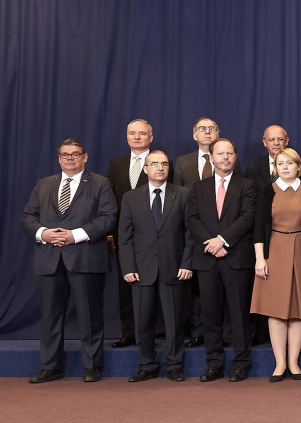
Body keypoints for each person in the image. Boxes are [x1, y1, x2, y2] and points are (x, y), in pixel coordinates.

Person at [23, 139, 116, 383]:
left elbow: (108, 218)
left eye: (75, 154)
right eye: (65, 154)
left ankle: (92, 366)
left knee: (89, 315)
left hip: (85, 257)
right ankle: (50, 367)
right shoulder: (44, 184)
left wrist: (74, 236)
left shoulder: (100, 183)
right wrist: (42, 233)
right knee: (51, 317)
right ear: (59, 158)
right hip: (49, 259)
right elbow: (28, 216)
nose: (70, 158)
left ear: (85, 157)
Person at [186, 138, 258, 382]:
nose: (225, 158)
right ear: (211, 158)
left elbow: (248, 217)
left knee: (239, 315)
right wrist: (212, 243)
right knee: (211, 315)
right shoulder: (199, 187)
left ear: (235, 157)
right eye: (220, 154)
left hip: (236, 258)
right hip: (208, 260)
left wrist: (223, 240)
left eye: (230, 153)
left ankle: (241, 363)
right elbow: (193, 219)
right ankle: (214, 363)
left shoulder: (247, 185)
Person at [118, 150, 194, 382]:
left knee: (173, 321)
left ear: (169, 168)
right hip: (141, 269)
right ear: (145, 168)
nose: (159, 168)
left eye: (163, 164)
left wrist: (186, 263)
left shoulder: (183, 195)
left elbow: (191, 233)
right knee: (142, 321)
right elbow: (125, 237)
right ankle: (147, 365)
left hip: (174, 268)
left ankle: (173, 365)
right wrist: (128, 267)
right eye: (154, 164)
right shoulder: (131, 197)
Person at [251, 148, 301, 381]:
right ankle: (279, 363)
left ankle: (294, 362)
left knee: (299, 309)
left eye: (290, 163)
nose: (286, 167)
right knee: (276, 309)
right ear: (275, 168)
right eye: (281, 164)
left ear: (299, 167)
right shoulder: (267, 191)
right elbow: (259, 226)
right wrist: (260, 258)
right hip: (275, 249)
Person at [174, 117, 240, 348]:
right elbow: (183, 204)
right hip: (195, 233)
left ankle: (230, 336)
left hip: (228, 239)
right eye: (202, 129)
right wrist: (206, 239)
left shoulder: (229, 161)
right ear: (194, 135)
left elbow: (236, 204)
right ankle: (198, 331)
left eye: (212, 128)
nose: (207, 132)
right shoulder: (182, 162)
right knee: (199, 293)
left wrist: (221, 240)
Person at [106, 118, 157, 348]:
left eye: (142, 133)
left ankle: (156, 331)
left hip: (154, 236)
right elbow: (109, 202)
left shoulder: (161, 162)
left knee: (154, 284)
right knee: (125, 285)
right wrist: (111, 233)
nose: (137, 137)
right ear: (126, 137)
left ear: (150, 138)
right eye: (132, 133)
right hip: (123, 237)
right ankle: (129, 332)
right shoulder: (116, 164)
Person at [246, 125, 291, 189]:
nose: (276, 143)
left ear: (286, 141)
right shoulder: (254, 167)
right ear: (264, 142)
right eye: (271, 139)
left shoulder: (298, 165)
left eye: (280, 139)